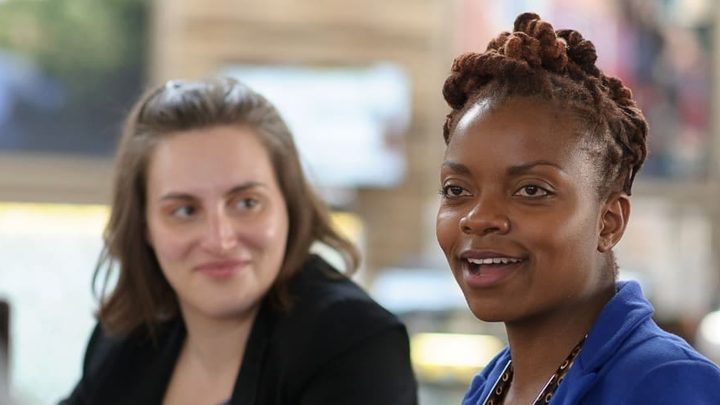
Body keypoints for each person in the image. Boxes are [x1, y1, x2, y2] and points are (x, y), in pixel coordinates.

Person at [61, 77, 418, 405]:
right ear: (144, 228)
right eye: (184, 211)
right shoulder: (129, 336)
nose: (220, 239)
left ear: (289, 206)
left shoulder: (353, 344)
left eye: (247, 203)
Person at [436, 12, 720, 405]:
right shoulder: (492, 382)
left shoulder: (665, 383)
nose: (479, 218)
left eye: (531, 190)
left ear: (608, 222)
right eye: (456, 189)